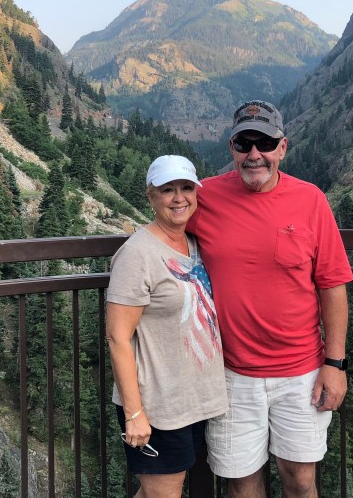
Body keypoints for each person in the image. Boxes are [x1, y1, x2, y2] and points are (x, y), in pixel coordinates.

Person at [187, 100, 353, 498]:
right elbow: (164, 228)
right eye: (244, 143)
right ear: (232, 148)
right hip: (230, 373)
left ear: (282, 147)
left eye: (264, 143)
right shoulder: (204, 197)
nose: (254, 154)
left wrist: (335, 364)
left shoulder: (311, 200)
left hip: (302, 372)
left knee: (301, 479)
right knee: (241, 484)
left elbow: (332, 284)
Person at [106, 155, 228, 498]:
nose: (178, 198)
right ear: (151, 196)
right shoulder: (137, 254)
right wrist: (134, 413)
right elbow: (117, 337)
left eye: (186, 188)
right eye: (167, 190)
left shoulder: (193, 244)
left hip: (190, 399)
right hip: (157, 403)